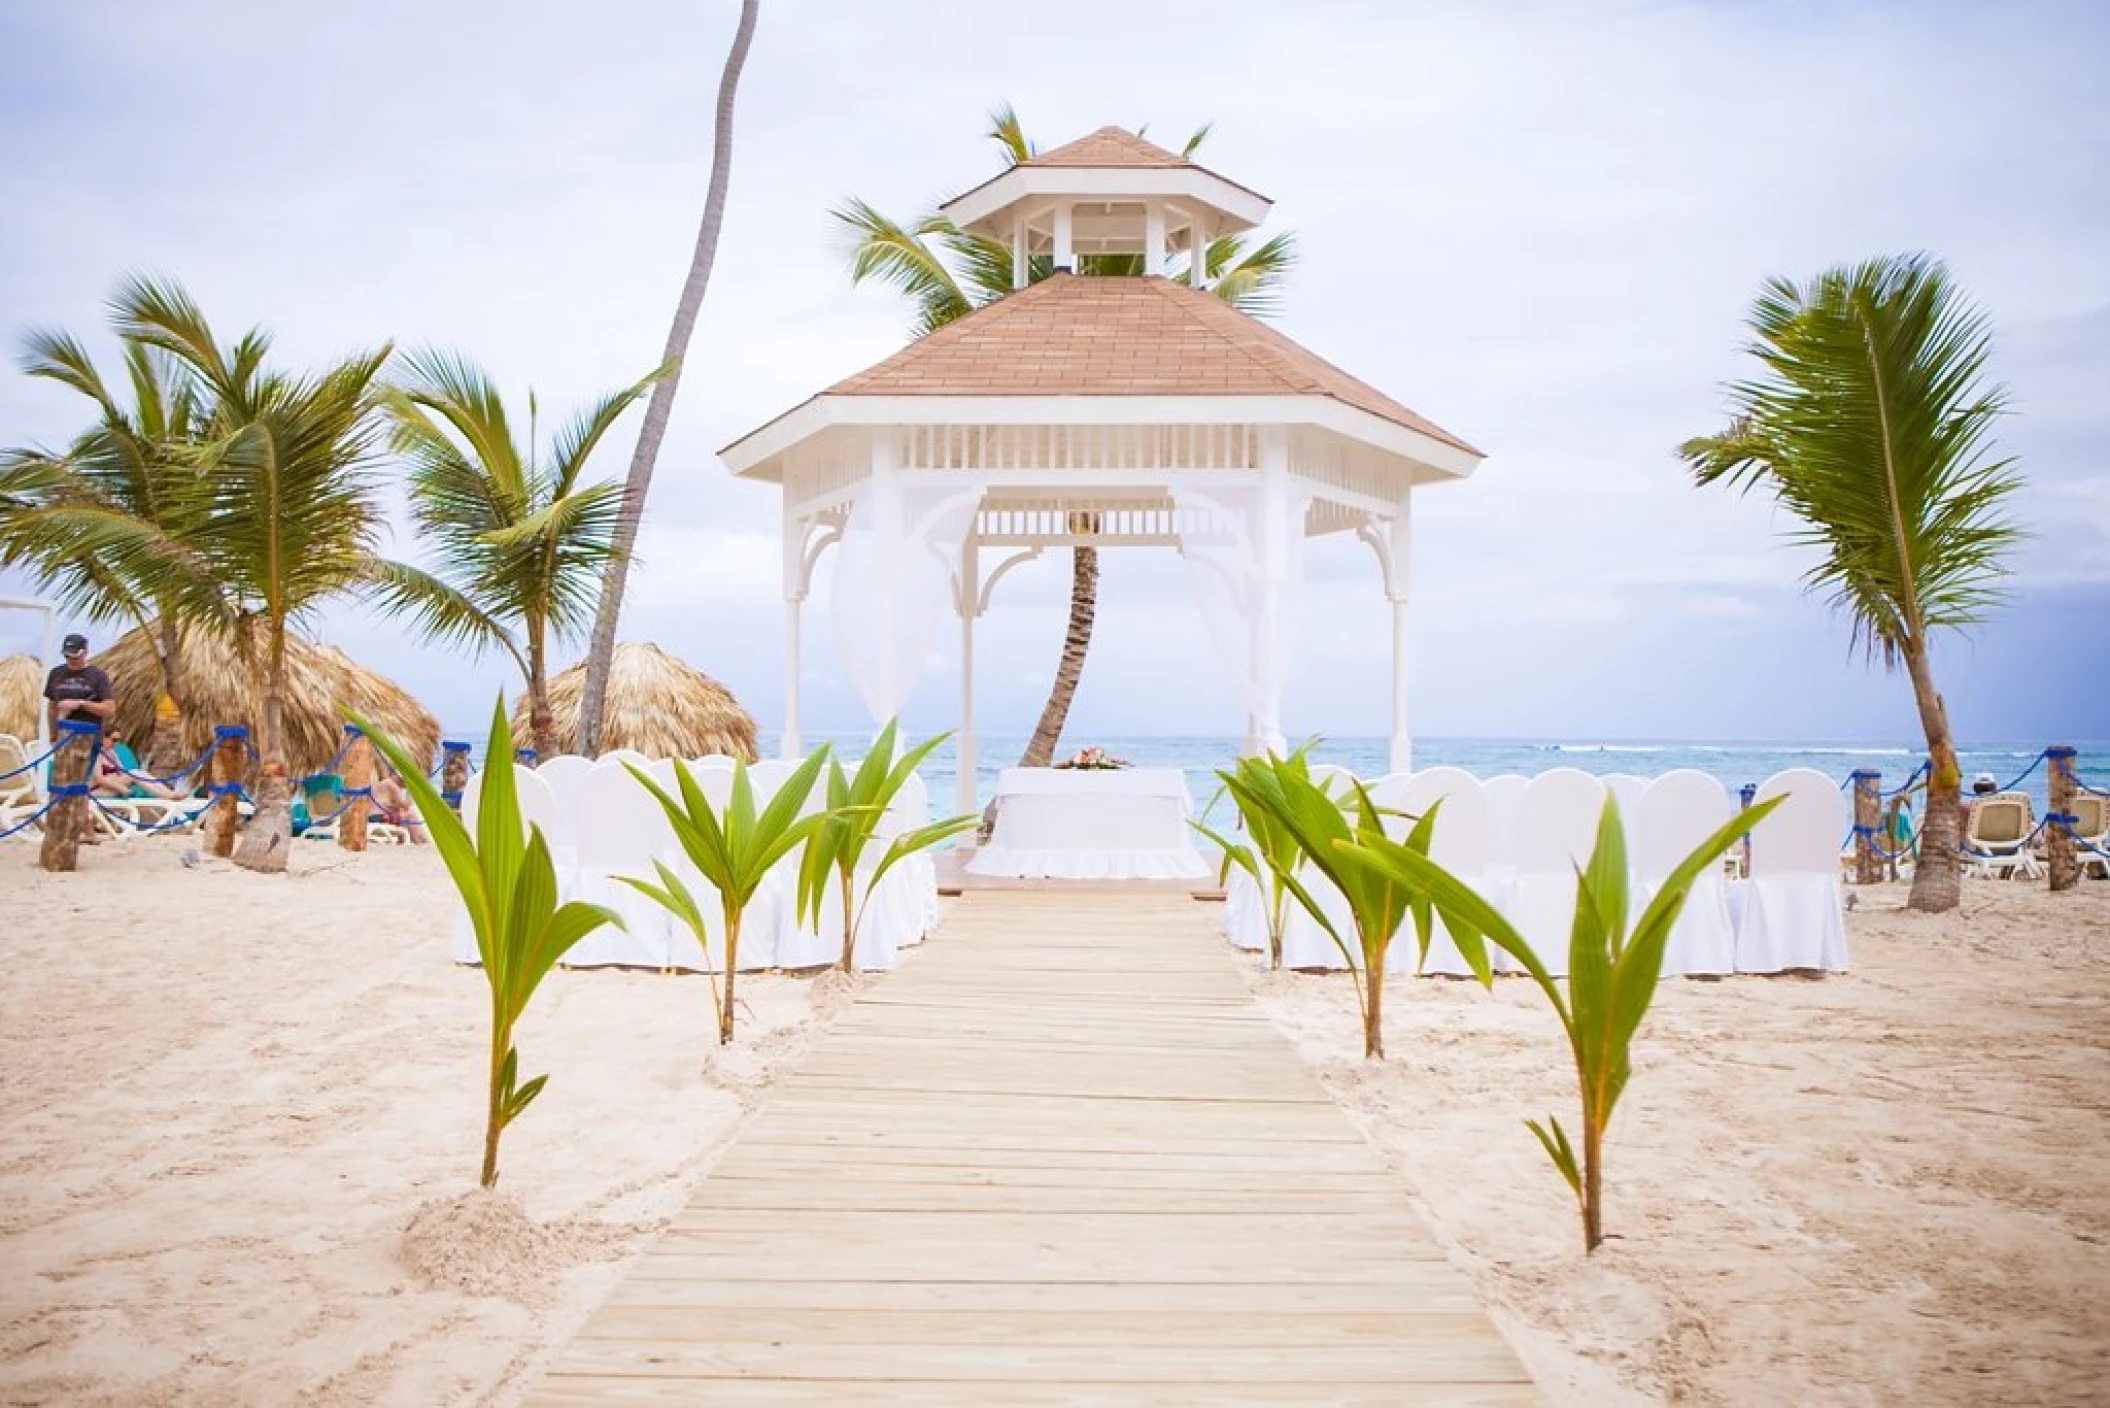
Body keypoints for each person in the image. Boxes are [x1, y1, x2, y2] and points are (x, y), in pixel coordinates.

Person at [90, 727, 191, 803]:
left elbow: (122, 771)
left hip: (113, 786)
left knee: (139, 773)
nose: (115, 743)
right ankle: (168, 795)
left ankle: (169, 793)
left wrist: (128, 783)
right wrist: (122, 788)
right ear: (104, 738)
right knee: (134, 773)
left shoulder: (111, 753)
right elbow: (99, 779)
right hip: (99, 790)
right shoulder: (96, 753)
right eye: (114, 740)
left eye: (117, 741)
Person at [44, 633, 115, 738]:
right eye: (67, 656)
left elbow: (110, 710)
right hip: (64, 738)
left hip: (89, 737)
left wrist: (81, 704)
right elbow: (52, 707)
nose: (70, 660)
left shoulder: (98, 675)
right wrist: (53, 734)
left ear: (85, 652)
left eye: (75, 656)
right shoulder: (55, 673)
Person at [370, 773, 429, 845]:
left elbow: (393, 806)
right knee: (410, 815)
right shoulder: (392, 786)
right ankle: (419, 841)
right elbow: (405, 806)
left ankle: (419, 839)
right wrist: (413, 792)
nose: (405, 787)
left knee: (405, 816)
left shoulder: (384, 783)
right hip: (378, 818)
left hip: (373, 817)